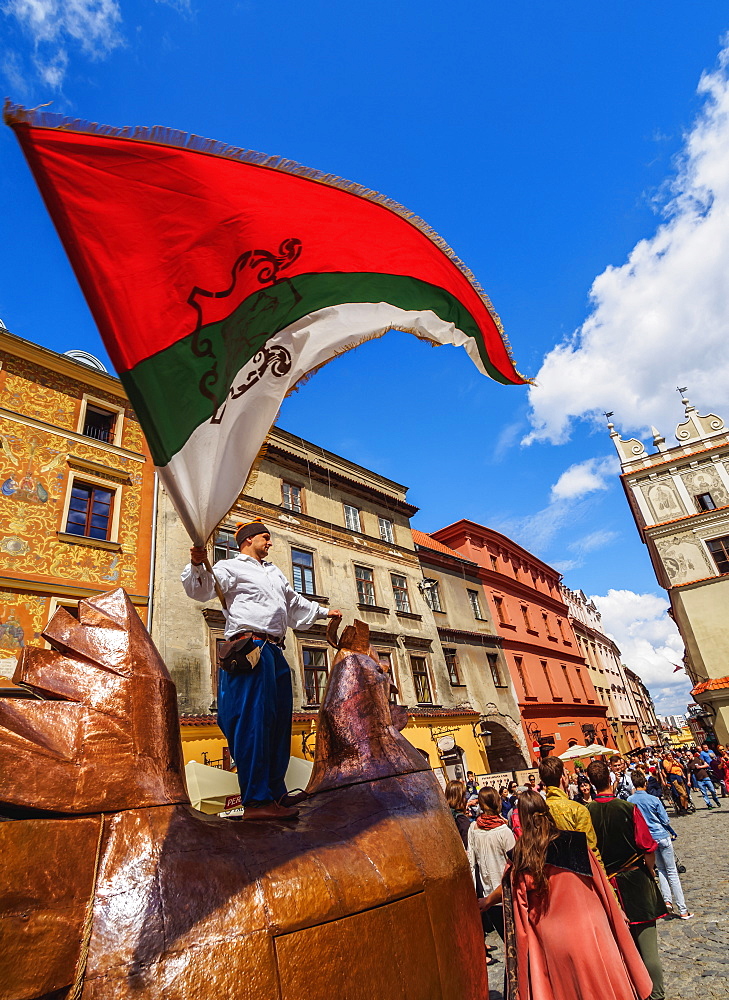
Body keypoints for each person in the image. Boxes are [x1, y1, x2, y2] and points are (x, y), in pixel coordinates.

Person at [182, 520, 340, 821]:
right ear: (248, 540)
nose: (270, 543)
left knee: (279, 723)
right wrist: (197, 563)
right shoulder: (231, 567)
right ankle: (255, 801)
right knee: (253, 722)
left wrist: (323, 612)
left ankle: (275, 792)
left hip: (275, 651)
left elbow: (293, 603)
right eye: (265, 538)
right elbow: (199, 589)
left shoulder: (274, 572)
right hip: (249, 648)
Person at [488, 789, 653, 1000]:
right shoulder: (576, 842)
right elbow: (600, 883)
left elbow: (518, 907)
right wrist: (616, 912)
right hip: (592, 928)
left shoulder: (521, 856)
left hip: (552, 936)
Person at [586, 759, 667, 1000]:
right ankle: (656, 994)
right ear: (610, 780)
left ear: (590, 783)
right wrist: (650, 872)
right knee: (647, 945)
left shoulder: (586, 811)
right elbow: (647, 846)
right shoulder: (626, 807)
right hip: (634, 878)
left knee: (623, 947)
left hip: (606, 885)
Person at [628, 770, 692, 920]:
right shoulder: (654, 799)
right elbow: (665, 820)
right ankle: (683, 909)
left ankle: (667, 901)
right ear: (645, 783)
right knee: (672, 872)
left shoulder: (630, 801)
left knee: (661, 870)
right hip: (661, 835)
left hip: (648, 840)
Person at [467, 786, 515, 941]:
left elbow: (471, 863)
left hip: (487, 894)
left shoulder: (473, 828)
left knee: (505, 939)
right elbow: (514, 864)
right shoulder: (504, 831)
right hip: (507, 893)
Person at [538, 756, 603, 868]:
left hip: (551, 876)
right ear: (563, 778)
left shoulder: (538, 811)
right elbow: (590, 851)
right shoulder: (578, 810)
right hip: (579, 875)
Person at [445, 779, 472, 848]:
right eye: (464, 795)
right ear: (460, 798)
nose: (466, 799)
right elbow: (469, 848)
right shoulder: (461, 820)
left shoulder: (444, 815)